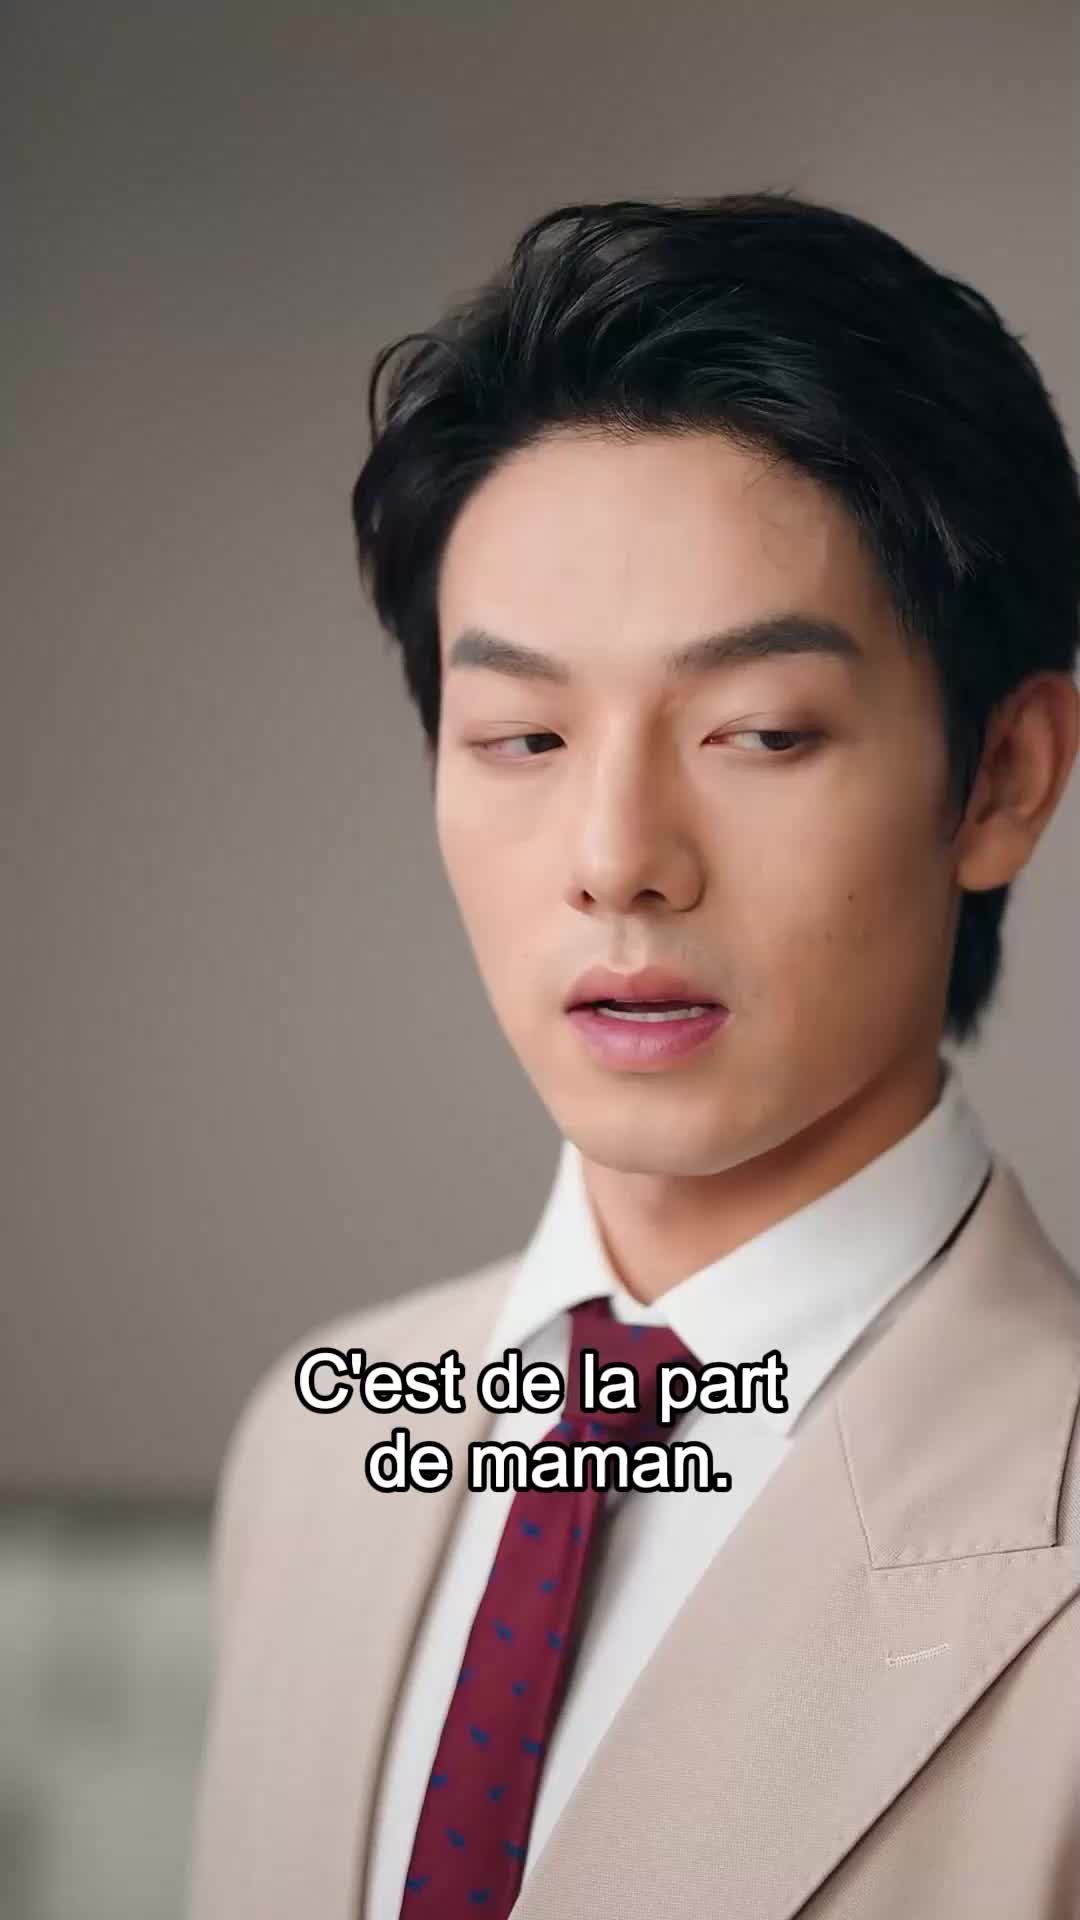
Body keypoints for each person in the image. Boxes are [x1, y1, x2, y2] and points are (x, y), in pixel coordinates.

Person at [187, 194, 1080, 1920]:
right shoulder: (315, 1442)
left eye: (760, 731)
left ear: (1001, 779)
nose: (616, 859)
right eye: (522, 735)